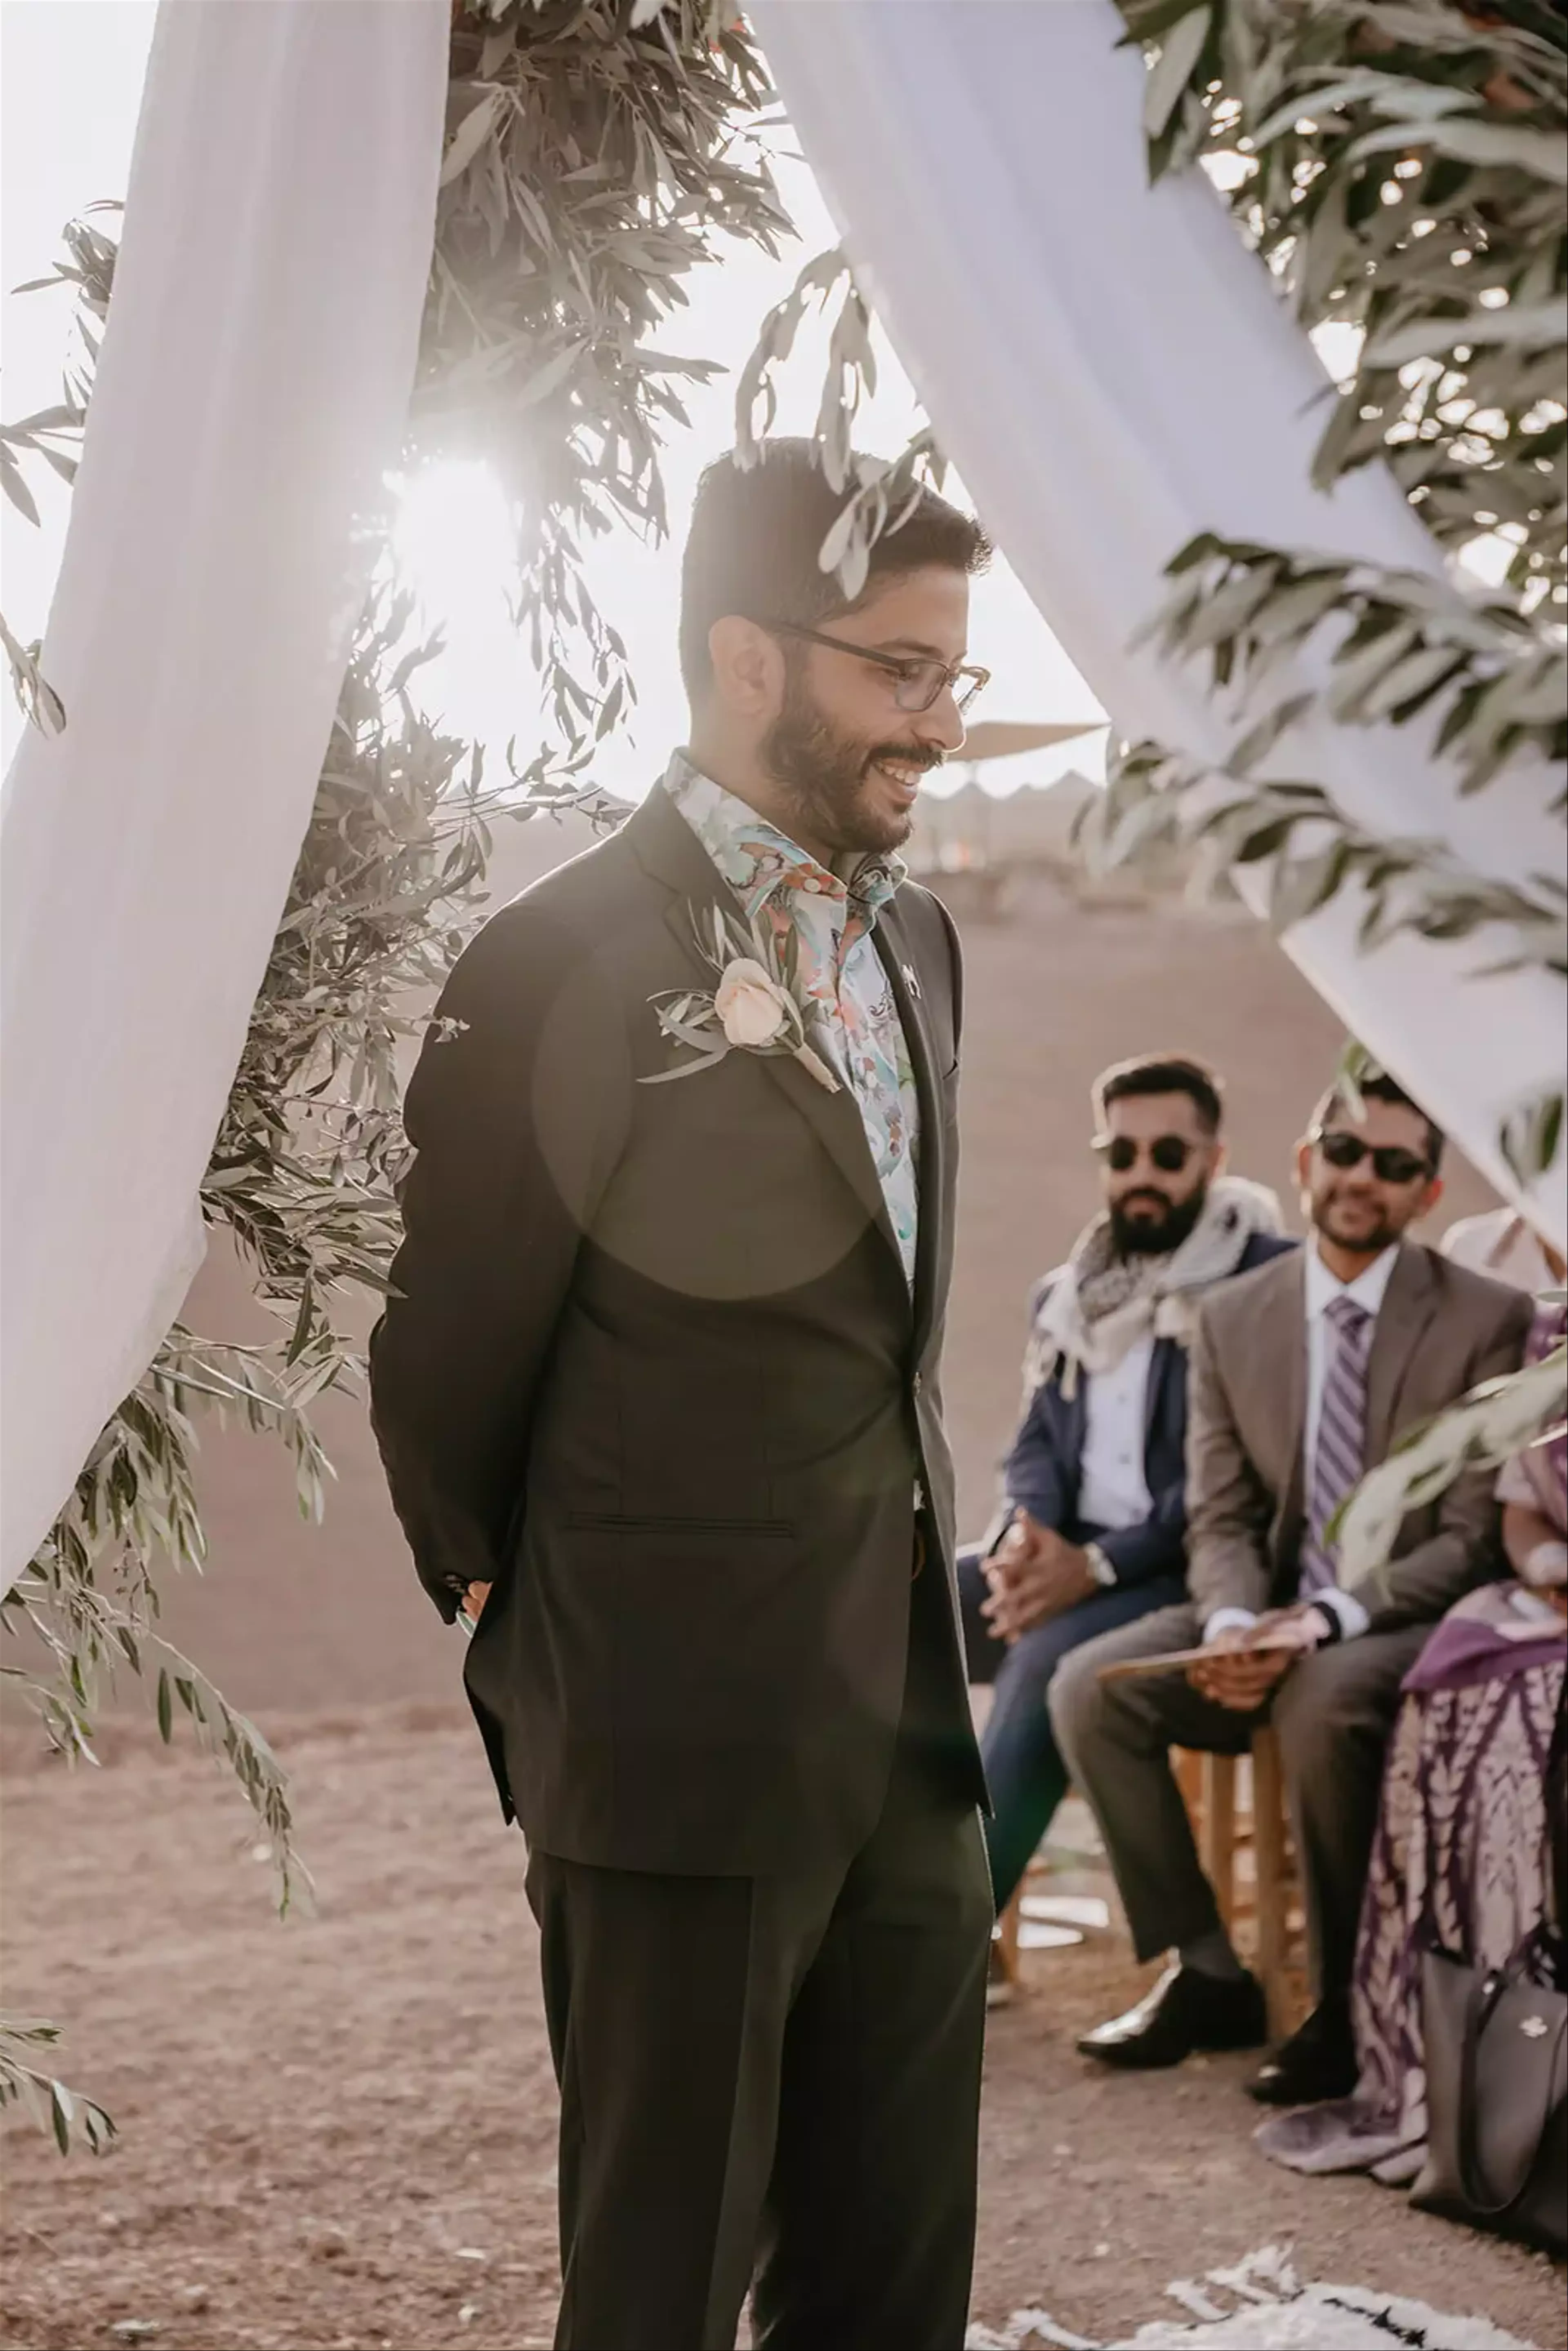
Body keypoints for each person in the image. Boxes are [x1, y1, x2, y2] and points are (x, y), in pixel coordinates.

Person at [370, 439, 995, 2351]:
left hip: (907, 1733)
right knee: (657, 2290)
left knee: (893, 2285)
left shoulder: (919, 941)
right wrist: (538, 1645)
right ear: (748, 660)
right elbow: (444, 1362)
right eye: (899, 670)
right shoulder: (554, 958)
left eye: (952, 675)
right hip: (668, 1747)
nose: (939, 723)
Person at [1050, 1070, 1533, 2103]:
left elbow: (1468, 1539)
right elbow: (1220, 1515)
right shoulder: (1232, 1317)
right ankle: (1211, 1972)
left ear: (1425, 1197)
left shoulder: (1485, 1320)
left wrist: (1320, 1621)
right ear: (1308, 1162)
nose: (1365, 1178)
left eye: (1396, 1165)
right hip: (1263, 1604)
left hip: (1399, 1618)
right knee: (1090, 1686)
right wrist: (1229, 1621)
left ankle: (1346, 2011)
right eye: (1347, 1152)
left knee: (1322, 1697)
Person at [958, 1054, 1291, 1969]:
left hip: (1187, 1566)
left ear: (1213, 1158)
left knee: (1038, 1660)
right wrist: (1025, 1537)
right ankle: (908, 1881)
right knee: (905, 1605)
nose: (1141, 1172)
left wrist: (1091, 1568)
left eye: (1168, 1152)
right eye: (1123, 1151)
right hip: (1075, 1550)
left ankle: (948, 1933)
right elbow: (1034, 1439)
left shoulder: (1262, 1280)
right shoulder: (1068, 1290)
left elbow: (1244, 1481)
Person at [1257, 1287, 1566, 2182]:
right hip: (1544, 1593)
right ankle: (1470, 2050)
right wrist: (1551, 1565)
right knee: (1455, 1689)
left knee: (1539, 1712)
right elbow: (1519, 1511)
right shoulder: (1553, 1331)